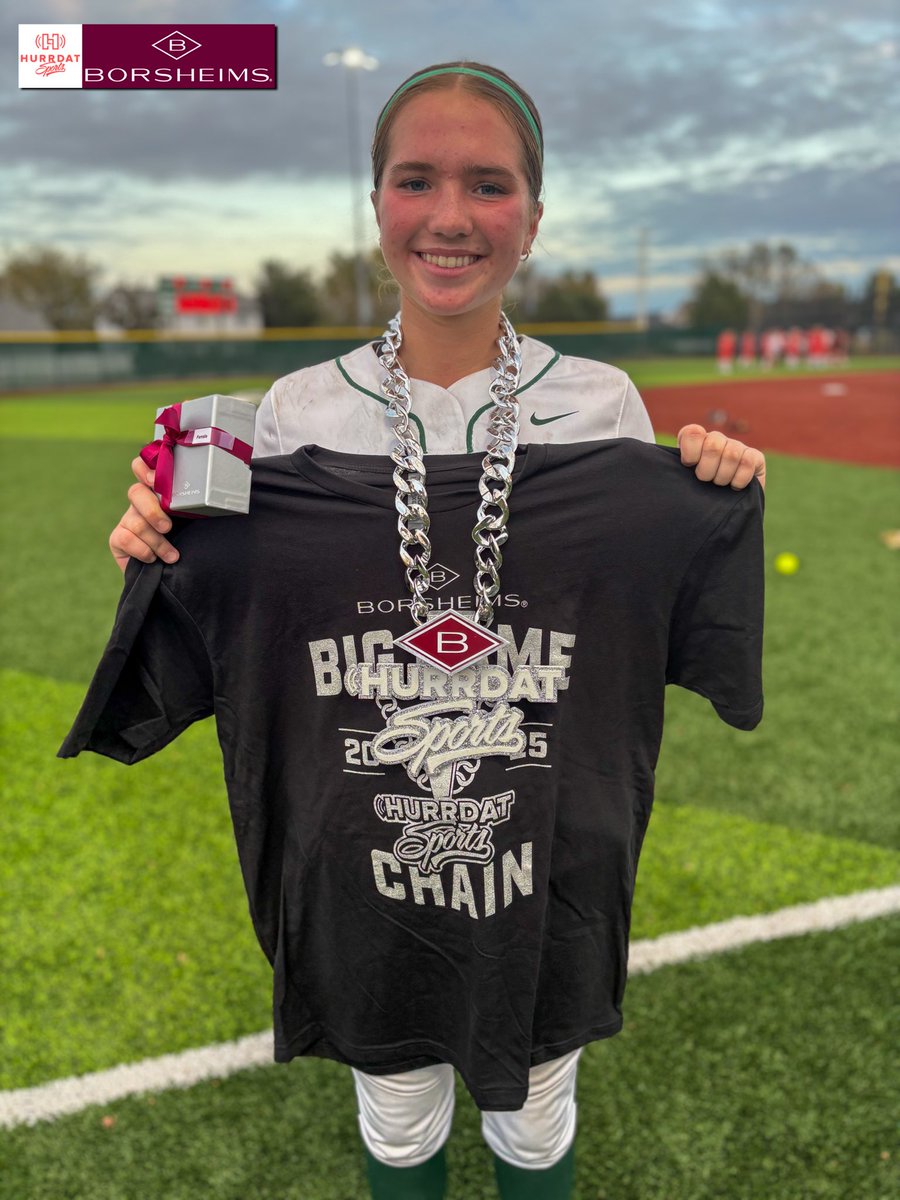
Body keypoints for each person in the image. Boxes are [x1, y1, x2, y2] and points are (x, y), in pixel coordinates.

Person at [94, 62, 766, 1200]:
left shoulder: (602, 405)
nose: (451, 216)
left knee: (536, 1102)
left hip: (547, 838)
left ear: (533, 218)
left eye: (489, 186)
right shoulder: (294, 413)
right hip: (359, 840)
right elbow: (236, 598)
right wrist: (162, 541)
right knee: (397, 1104)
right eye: (417, 181)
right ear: (379, 206)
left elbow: (625, 606)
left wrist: (705, 490)